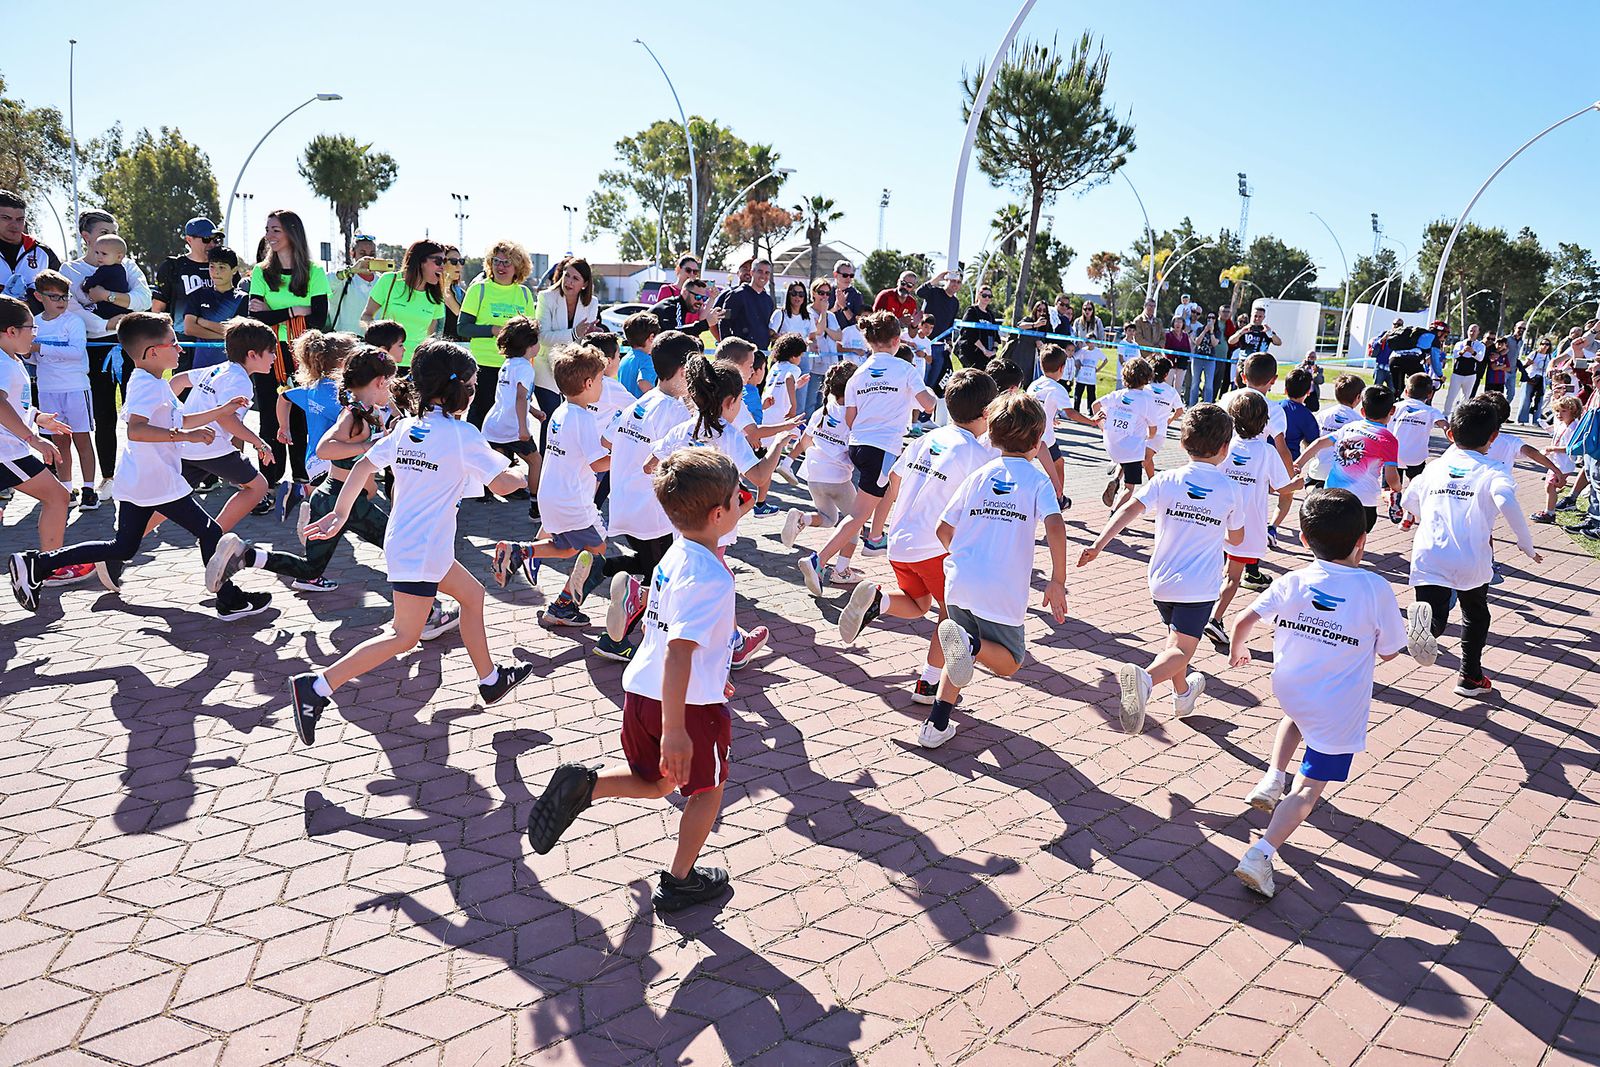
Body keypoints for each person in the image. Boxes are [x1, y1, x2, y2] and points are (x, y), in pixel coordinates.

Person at [524, 448, 744, 913]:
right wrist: (678, 728)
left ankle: (587, 786)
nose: (746, 502)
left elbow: (667, 634)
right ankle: (681, 881)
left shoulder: (675, 554)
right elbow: (682, 651)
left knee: (659, 781)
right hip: (685, 708)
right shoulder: (711, 576)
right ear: (719, 512)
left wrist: (712, 678)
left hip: (641, 691)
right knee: (707, 789)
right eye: (739, 497)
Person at [287, 339, 536, 742]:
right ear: (460, 390)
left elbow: (364, 463)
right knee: (402, 637)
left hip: (420, 546)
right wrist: (529, 467)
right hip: (421, 551)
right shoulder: (460, 434)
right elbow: (506, 486)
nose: (475, 392)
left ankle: (490, 679)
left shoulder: (408, 426)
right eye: (473, 385)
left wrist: (341, 512)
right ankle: (316, 687)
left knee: (472, 596)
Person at [8, 311, 269, 620]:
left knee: (123, 546)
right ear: (153, 352)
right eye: (174, 343)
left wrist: (217, 413)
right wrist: (184, 435)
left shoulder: (152, 381)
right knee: (210, 531)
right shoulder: (148, 385)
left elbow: (179, 418)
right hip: (155, 479)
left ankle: (37, 564)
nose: (180, 349)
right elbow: (137, 429)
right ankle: (230, 601)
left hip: (140, 478)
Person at [1226, 488, 1410, 898]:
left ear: (1305, 540)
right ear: (1362, 540)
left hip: (1289, 686)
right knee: (1308, 789)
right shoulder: (1375, 588)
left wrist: (1239, 647)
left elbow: (1243, 618)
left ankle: (1272, 778)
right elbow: (1391, 652)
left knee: (1296, 716)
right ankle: (1262, 852)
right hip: (1336, 706)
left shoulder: (1294, 579)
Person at [835, 369, 999, 708]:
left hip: (901, 541)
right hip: (933, 546)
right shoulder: (978, 455)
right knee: (951, 614)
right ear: (987, 413)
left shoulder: (925, 439)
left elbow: (892, 484)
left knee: (918, 603)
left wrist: (878, 531)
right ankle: (928, 683)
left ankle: (879, 602)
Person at [1079, 403, 1246, 734]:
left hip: (1161, 582)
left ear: (1183, 443)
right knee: (1183, 650)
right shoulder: (1230, 489)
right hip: (1198, 586)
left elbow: (1128, 510)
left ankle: (1183, 695)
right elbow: (1237, 540)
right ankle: (1145, 680)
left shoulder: (1167, 479)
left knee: (1176, 644)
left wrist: (1099, 544)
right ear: (1225, 449)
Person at [1402, 397, 1542, 698]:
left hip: (1429, 553)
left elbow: (1408, 500)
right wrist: (1525, 543)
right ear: (1493, 437)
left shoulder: (1434, 468)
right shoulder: (1494, 470)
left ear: (1450, 434)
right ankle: (1469, 676)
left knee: (1434, 613)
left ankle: (1429, 627)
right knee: (1475, 613)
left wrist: (1414, 513)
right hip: (1471, 558)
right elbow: (1506, 500)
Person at [798, 311, 936, 594]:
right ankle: (819, 559)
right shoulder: (906, 370)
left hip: (858, 446)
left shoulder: (857, 374)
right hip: (882, 447)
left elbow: (850, 418)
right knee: (858, 515)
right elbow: (928, 405)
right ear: (897, 340)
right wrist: (931, 394)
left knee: (891, 485)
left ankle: (874, 539)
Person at [594, 330, 700, 663]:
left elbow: (608, 440)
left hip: (626, 505)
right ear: (685, 371)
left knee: (647, 563)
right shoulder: (677, 413)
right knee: (661, 579)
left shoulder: (641, 402)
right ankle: (616, 638)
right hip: (655, 512)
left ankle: (596, 574)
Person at [493, 344, 611, 628]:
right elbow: (598, 465)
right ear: (588, 383)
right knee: (597, 553)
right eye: (601, 379)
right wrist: (628, 456)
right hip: (573, 499)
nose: (603, 385)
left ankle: (522, 550)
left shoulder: (561, 410)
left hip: (552, 494)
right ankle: (563, 606)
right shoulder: (583, 417)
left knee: (568, 547)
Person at [58, 209, 152, 486]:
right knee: (103, 414)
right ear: (85, 237)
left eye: (113, 232)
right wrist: (113, 323)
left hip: (131, 347)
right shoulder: (70, 270)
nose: (110, 238)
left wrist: (109, 297)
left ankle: (145, 474)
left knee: (140, 411)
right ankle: (108, 477)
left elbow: (143, 299)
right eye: (103, 233)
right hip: (95, 349)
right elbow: (75, 311)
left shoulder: (128, 265)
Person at [1203, 390, 1298, 650]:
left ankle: (1201, 608)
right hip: (1247, 524)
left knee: (1215, 569)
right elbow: (1282, 486)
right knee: (1233, 577)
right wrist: (1298, 483)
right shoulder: (1267, 453)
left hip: (1218, 518)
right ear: (1265, 421)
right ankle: (1215, 618)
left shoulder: (1225, 446)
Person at [173, 318, 279, 541]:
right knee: (259, 487)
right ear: (252, 355)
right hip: (211, 449)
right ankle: (213, 535)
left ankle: (124, 545)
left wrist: (166, 409)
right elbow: (226, 420)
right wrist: (259, 443)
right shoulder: (241, 382)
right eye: (271, 352)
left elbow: (179, 379)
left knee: (169, 500)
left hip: (186, 447)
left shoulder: (219, 369)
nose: (275, 358)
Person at [248, 210, 330, 492]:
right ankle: (268, 485)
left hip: (303, 354)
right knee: (270, 417)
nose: (269, 236)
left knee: (300, 415)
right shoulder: (260, 272)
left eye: (276, 230)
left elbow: (319, 319)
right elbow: (256, 318)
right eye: (267, 229)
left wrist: (276, 313)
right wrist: (296, 310)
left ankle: (302, 479)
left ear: (292, 233)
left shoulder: (315, 272)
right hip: (268, 353)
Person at [0, 295, 74, 578]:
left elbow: (14, 404)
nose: (34, 334)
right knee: (57, 496)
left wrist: (37, 418)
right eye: (32, 327)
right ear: (11, 331)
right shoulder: (5, 364)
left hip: (9, 449)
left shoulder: (10, 359)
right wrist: (33, 438)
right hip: (7, 452)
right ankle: (50, 567)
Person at [29, 271, 96, 508]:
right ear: (39, 296)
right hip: (48, 390)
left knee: (82, 440)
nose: (61, 302)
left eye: (64, 297)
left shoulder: (74, 321)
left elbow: (76, 352)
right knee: (60, 442)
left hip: (76, 388)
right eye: (54, 297)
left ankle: (89, 489)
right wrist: (30, 352)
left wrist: (39, 348)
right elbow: (32, 358)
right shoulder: (34, 322)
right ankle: (67, 490)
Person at [780, 360, 861, 552]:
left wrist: (792, 461)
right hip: (838, 478)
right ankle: (841, 570)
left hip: (814, 475)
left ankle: (802, 518)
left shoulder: (821, 411)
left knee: (829, 519)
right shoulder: (854, 416)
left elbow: (805, 441)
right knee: (854, 523)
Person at [1295, 387, 1402, 532]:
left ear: (1362, 411)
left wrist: (1299, 463)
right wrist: (1396, 490)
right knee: (1357, 540)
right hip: (1362, 501)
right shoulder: (1388, 439)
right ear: (1392, 410)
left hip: (1332, 494)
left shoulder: (1349, 427)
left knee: (1331, 536)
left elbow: (1320, 442)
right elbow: (1391, 476)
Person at [457, 239, 538, 428]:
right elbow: (463, 328)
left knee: (509, 418)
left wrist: (529, 370)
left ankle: (506, 457)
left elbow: (530, 336)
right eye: (496, 261)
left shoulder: (525, 294)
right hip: (482, 366)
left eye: (506, 262)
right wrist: (492, 330)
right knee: (480, 416)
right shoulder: (478, 289)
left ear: (518, 266)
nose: (500, 266)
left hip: (514, 367)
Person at [478, 315, 544, 515]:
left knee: (493, 466)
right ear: (530, 345)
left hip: (493, 425)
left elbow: (511, 396)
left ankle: (470, 495)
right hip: (512, 428)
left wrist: (533, 411)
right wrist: (523, 428)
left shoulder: (508, 363)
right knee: (535, 461)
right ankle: (535, 507)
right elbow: (520, 398)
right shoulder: (525, 367)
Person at [360, 239, 447, 367]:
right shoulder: (389, 281)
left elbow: (432, 336)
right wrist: (380, 338)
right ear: (420, 260)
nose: (443, 267)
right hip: (385, 364)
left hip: (418, 367)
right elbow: (366, 316)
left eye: (444, 262)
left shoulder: (436, 296)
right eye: (438, 261)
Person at [534, 258, 601, 423]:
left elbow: (585, 339)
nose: (569, 281)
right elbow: (542, 336)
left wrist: (592, 335)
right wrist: (574, 333)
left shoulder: (592, 303)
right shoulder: (546, 297)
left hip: (575, 372)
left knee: (570, 420)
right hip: (545, 369)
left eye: (575, 278)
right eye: (567, 275)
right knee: (550, 420)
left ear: (584, 284)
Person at [1094, 357, 1160, 512]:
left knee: (1127, 454)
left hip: (1111, 446)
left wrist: (1102, 426)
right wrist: (1150, 437)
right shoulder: (1146, 400)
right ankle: (1114, 514)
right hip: (1131, 450)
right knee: (1129, 487)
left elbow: (1095, 404)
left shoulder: (1117, 394)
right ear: (1147, 377)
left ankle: (1116, 479)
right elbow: (1153, 428)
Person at [152, 217, 222, 346]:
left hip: (218, 343)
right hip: (184, 343)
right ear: (189, 240)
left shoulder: (225, 266)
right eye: (206, 239)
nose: (212, 244)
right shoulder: (172, 267)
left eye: (215, 239)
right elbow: (157, 309)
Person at [180, 248, 251, 358]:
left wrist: (204, 323)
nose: (216, 272)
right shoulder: (198, 295)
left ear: (234, 270)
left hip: (231, 364)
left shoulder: (243, 298)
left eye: (222, 267)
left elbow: (238, 334)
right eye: (212, 266)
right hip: (201, 364)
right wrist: (224, 336)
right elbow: (189, 328)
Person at [1301, 374, 1364, 488]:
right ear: (1358, 397)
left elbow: (1308, 439)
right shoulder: (1358, 421)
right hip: (1342, 475)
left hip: (1318, 471)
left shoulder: (1322, 415)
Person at [0, 191, 61, 303]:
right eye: (6, 218)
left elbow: (60, 293)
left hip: (34, 319)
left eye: (20, 219)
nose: (14, 225)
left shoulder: (43, 253)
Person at [1533, 395, 1583, 522]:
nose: (1559, 414)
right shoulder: (1562, 424)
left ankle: (1550, 513)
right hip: (1556, 461)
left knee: (1550, 486)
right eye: (1557, 411)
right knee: (1549, 486)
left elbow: (1570, 448)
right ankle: (1549, 510)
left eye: (1564, 411)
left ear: (1573, 411)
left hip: (1563, 463)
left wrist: (1553, 449)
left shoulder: (1573, 428)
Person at [1391, 374, 1447, 484]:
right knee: (1416, 484)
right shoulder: (1431, 411)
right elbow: (1445, 425)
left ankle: (1391, 494)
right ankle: (1414, 496)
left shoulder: (1395, 407)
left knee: (1391, 484)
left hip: (1394, 456)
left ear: (1406, 392)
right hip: (1416, 457)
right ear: (1430, 394)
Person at [916, 269, 963, 396]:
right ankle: (916, 414)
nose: (955, 284)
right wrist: (936, 279)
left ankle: (926, 414)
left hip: (940, 347)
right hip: (924, 344)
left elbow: (949, 324)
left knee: (933, 383)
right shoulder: (935, 292)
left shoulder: (955, 302)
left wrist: (949, 342)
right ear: (946, 280)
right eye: (953, 280)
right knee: (921, 381)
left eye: (958, 282)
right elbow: (919, 292)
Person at [802, 279, 843, 416]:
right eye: (821, 293)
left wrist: (825, 326)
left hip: (829, 364)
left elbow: (839, 336)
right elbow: (818, 331)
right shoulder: (807, 312)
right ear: (813, 293)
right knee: (810, 401)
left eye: (827, 293)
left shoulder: (831, 316)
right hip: (813, 364)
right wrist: (824, 313)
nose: (824, 297)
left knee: (823, 401)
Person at [328, 234, 382, 334]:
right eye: (362, 254)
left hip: (374, 343)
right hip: (345, 343)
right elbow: (325, 284)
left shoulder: (381, 281)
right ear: (352, 254)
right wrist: (351, 271)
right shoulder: (343, 277)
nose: (368, 258)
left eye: (372, 254)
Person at [719, 258, 775, 352]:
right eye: (760, 271)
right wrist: (728, 348)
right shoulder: (736, 295)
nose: (763, 276)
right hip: (740, 354)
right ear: (752, 272)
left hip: (761, 354)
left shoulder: (768, 300)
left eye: (767, 273)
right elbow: (724, 322)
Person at [1144, 356, 1185, 479]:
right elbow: (1180, 410)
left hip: (1141, 430)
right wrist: (1170, 419)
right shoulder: (1171, 391)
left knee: (1142, 459)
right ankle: (1151, 483)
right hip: (1159, 432)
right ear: (1166, 374)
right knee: (1145, 458)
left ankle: (1120, 479)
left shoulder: (1145, 388)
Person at [648, 277, 724, 340]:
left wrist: (712, 298)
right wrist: (706, 323)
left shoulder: (680, 306)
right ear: (685, 293)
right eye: (697, 297)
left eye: (703, 298)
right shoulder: (672, 307)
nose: (701, 301)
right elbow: (675, 334)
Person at [81, 235, 134, 324]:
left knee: (85, 316)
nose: (99, 257)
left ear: (119, 257)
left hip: (107, 310)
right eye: (97, 253)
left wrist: (85, 282)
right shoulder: (121, 269)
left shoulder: (105, 270)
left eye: (104, 254)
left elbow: (89, 285)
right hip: (122, 308)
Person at [616, 311, 661, 399]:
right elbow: (643, 383)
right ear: (651, 337)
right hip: (640, 411)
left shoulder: (626, 358)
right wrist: (659, 398)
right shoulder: (647, 360)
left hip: (625, 408)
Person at [1442, 324, 1484, 415]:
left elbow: (1480, 358)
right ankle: (1446, 413)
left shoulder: (1480, 345)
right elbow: (1455, 355)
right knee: (1451, 395)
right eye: (1470, 330)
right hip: (1457, 374)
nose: (1472, 333)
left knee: (1466, 396)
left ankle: (1460, 414)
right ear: (1467, 331)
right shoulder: (1460, 344)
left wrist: (1472, 352)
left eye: (1474, 331)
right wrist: (1463, 351)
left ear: (1478, 332)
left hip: (1471, 374)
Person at [1279, 369, 1321, 461]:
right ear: (1308, 392)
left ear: (1285, 390)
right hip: (1289, 461)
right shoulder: (1306, 416)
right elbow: (1313, 443)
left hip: (1266, 459)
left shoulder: (1273, 407)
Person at [1009, 300, 1051, 387]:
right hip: (1020, 357)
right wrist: (1035, 324)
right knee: (1015, 384)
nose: (1041, 313)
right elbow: (1020, 326)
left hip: (1034, 362)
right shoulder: (1029, 320)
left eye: (1044, 310)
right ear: (1035, 310)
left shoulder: (1046, 326)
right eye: (1039, 310)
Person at [957, 286, 999, 368]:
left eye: (989, 296)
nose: (987, 298)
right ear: (978, 295)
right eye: (984, 295)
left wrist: (993, 351)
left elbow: (996, 335)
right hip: (972, 354)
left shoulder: (990, 314)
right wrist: (984, 350)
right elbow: (968, 333)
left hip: (987, 357)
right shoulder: (972, 311)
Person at [1518, 336, 1552, 425]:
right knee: (1526, 399)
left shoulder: (1549, 356)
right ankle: (1522, 419)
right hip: (1531, 378)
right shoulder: (1534, 354)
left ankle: (1536, 420)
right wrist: (1528, 363)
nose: (1545, 346)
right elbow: (1524, 366)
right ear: (1539, 345)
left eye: (1547, 344)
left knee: (1539, 400)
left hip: (1542, 379)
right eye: (1543, 344)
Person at [1071, 329, 1105, 413]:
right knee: (1078, 393)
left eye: (1093, 341)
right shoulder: (1083, 350)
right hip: (1082, 374)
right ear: (1086, 342)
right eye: (1089, 341)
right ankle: (1076, 410)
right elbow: (1074, 356)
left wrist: (1098, 369)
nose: (1091, 344)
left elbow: (1105, 360)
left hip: (1091, 375)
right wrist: (1077, 363)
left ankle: (1091, 411)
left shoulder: (1097, 351)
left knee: (1091, 394)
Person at [830, 260, 865, 330]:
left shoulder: (856, 295)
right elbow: (818, 316)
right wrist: (834, 309)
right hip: (827, 336)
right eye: (845, 275)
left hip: (848, 338)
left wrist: (844, 307)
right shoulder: (826, 291)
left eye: (851, 275)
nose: (848, 278)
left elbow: (858, 323)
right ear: (835, 275)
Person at [1161, 315, 1191, 392]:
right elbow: (1164, 348)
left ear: (1183, 324)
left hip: (1182, 363)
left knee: (1178, 386)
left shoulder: (1185, 336)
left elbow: (1188, 349)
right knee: (1167, 384)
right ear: (1173, 323)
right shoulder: (1168, 335)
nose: (1178, 324)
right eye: (1176, 321)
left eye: (1180, 322)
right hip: (1170, 363)